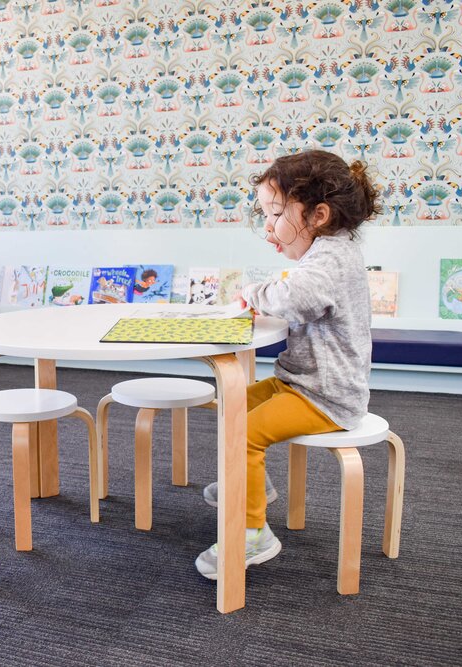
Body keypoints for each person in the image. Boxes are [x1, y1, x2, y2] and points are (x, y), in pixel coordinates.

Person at [194, 149, 381, 580]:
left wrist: (254, 292)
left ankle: (254, 532)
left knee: (244, 431)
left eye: (275, 214)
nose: (268, 227)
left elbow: (298, 297)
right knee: (232, 402)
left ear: (317, 215)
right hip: (299, 383)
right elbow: (302, 294)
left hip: (326, 396)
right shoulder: (329, 254)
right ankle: (253, 485)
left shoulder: (331, 259)